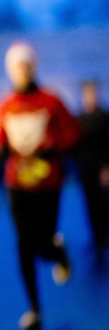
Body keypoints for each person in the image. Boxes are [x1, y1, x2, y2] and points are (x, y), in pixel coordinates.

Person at [0, 41, 80, 330]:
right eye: (17, 67)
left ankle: (56, 250)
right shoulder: (5, 105)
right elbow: (0, 140)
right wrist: (0, 150)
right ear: (10, 71)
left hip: (48, 183)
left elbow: (72, 135)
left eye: (27, 65)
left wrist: (51, 148)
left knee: (42, 245)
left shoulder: (51, 101)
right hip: (17, 184)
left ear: (34, 67)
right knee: (23, 245)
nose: (22, 71)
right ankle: (34, 308)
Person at [75, 80, 109, 262]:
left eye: (93, 93)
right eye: (87, 94)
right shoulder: (79, 119)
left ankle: (103, 237)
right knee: (89, 204)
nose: (91, 97)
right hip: (85, 168)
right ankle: (95, 237)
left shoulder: (104, 117)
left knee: (103, 204)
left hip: (102, 168)